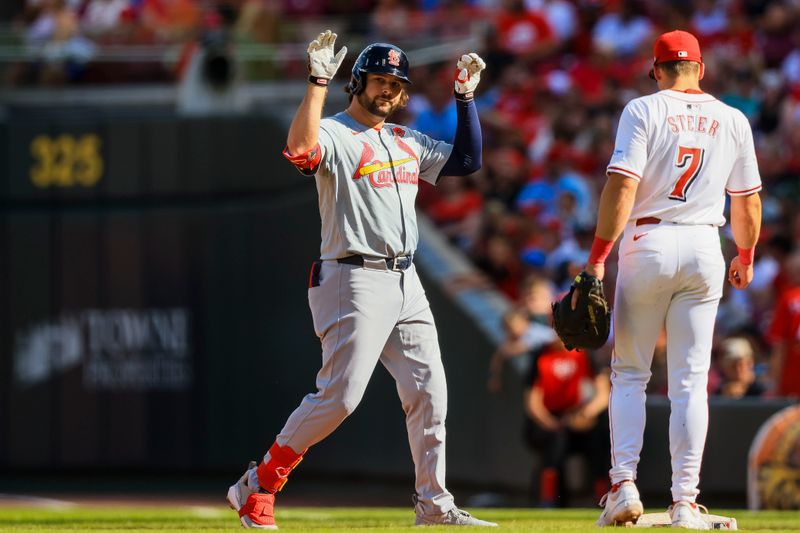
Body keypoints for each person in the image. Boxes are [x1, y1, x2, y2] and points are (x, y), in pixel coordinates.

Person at [225, 30, 496, 529]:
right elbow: (301, 149)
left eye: (395, 84)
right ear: (357, 82)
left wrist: (464, 98)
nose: (387, 91)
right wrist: (316, 81)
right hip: (353, 276)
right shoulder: (335, 131)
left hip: (405, 278)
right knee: (342, 397)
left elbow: (467, 159)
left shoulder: (405, 139)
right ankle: (260, 482)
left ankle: (434, 506)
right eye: (378, 80)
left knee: (430, 391)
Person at [581, 30, 762, 528]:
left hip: (650, 241)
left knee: (630, 373)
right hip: (707, 243)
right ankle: (685, 501)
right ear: (700, 69)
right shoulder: (732, 118)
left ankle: (623, 485)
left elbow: (622, 183)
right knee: (690, 381)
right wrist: (745, 253)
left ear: (655, 70)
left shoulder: (642, 109)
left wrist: (598, 257)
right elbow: (746, 199)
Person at [523, 335, 610, 507]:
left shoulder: (586, 353)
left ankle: (604, 499)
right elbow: (532, 401)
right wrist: (550, 422)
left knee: (599, 442)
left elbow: (603, 395)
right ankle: (549, 500)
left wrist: (585, 414)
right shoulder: (540, 354)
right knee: (555, 443)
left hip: (577, 416)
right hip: (549, 419)